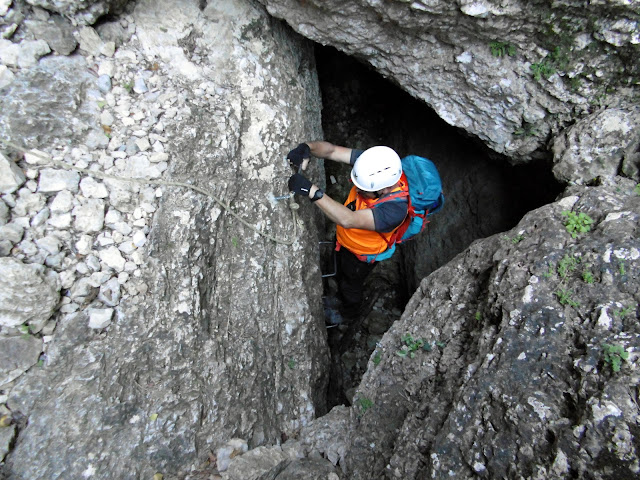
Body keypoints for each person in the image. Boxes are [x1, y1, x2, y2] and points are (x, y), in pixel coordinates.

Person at [286, 141, 409, 320]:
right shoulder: (373, 166)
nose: (357, 189)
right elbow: (333, 151)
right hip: (345, 241)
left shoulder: (395, 210)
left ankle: (348, 313)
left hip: (362, 255)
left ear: (384, 190)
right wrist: (308, 148)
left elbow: (348, 219)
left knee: (351, 285)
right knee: (338, 267)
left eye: (363, 189)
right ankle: (336, 289)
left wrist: (311, 191)